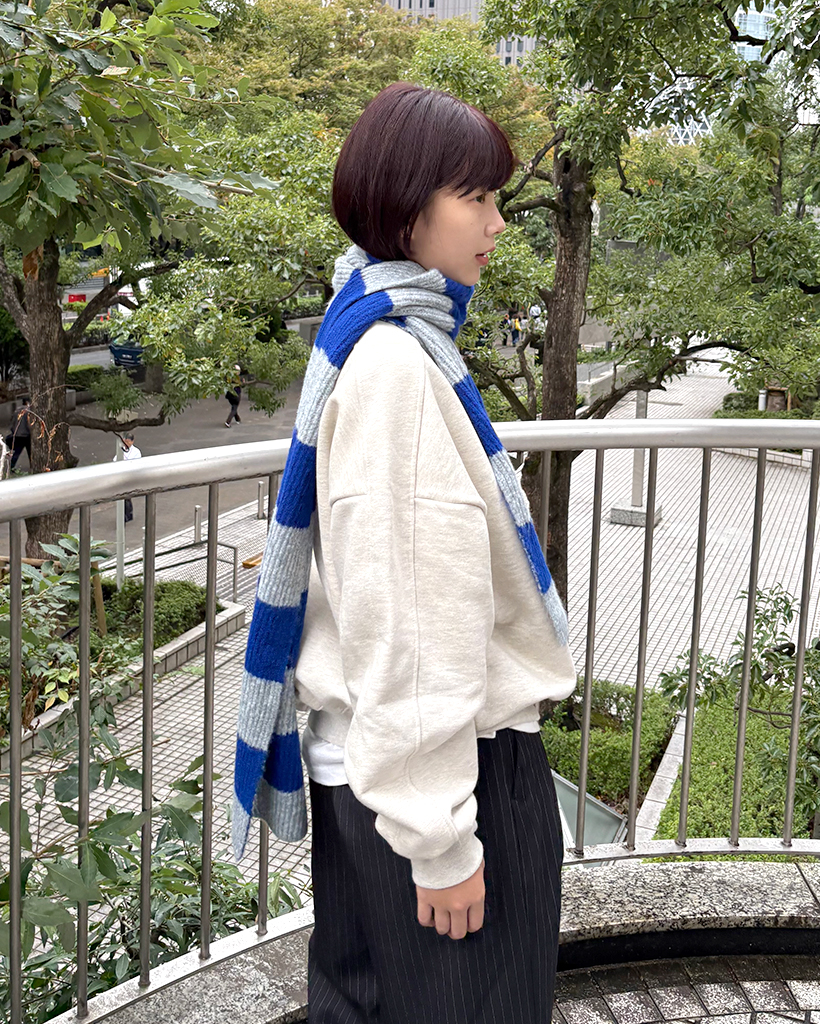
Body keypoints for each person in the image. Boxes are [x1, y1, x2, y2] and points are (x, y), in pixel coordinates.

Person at [232, 83, 576, 1024]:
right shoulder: (397, 368)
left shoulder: (371, 324)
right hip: (447, 775)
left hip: (370, 769)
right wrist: (442, 839)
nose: (498, 224)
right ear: (408, 203)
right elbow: (413, 620)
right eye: (479, 197)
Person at [113, 432, 141, 522]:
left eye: (128, 441)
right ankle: (125, 514)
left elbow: (137, 463)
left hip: (130, 476)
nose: (126, 443)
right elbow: (115, 459)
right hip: (121, 475)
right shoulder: (121, 450)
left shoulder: (136, 452)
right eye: (125, 441)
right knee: (123, 496)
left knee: (127, 496)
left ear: (132, 442)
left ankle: (128, 514)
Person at [7, 397, 33, 472]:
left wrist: (14, 431)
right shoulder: (29, 412)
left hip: (18, 435)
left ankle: (11, 466)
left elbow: (12, 423)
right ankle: (32, 466)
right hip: (26, 435)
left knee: (17, 452)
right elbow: (29, 424)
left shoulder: (17, 411)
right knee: (30, 453)